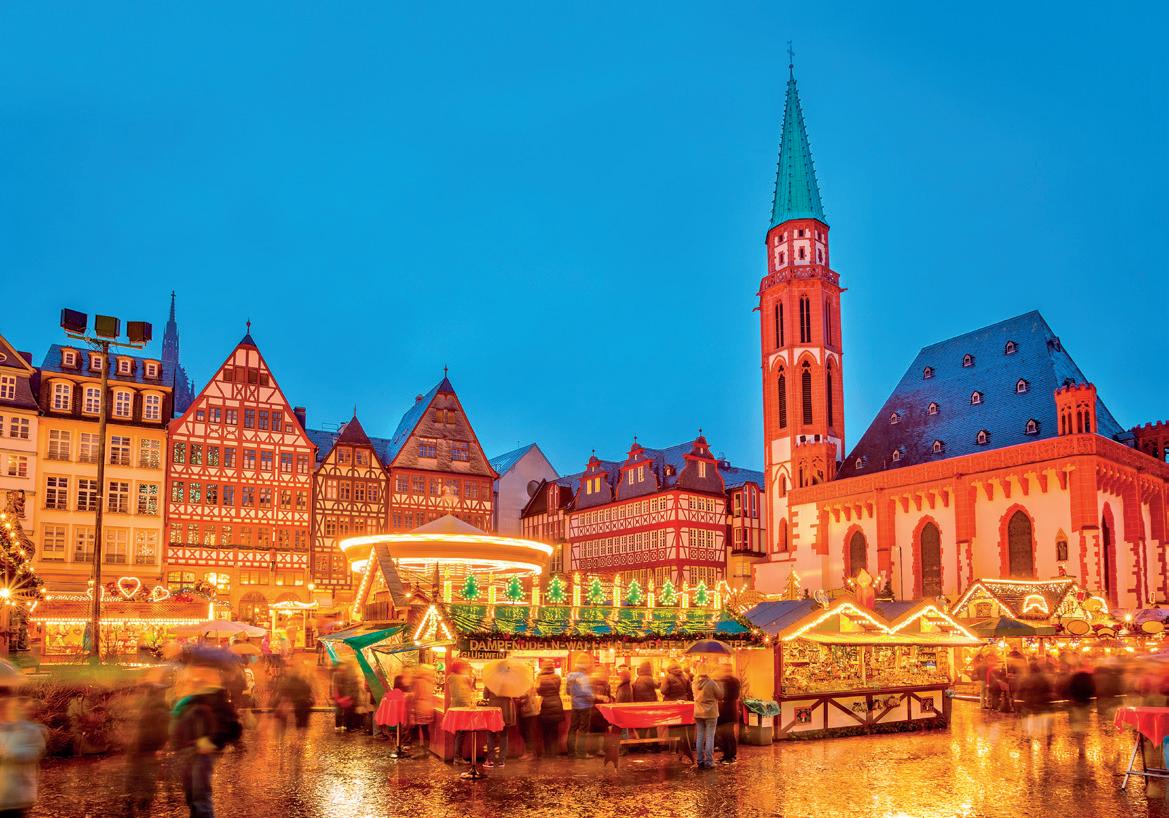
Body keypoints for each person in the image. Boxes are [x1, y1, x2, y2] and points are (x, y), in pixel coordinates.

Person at [171, 664, 241, 818]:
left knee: (200, 797)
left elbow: (232, 726)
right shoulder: (189, 700)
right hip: (185, 752)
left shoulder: (214, 697)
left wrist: (212, 741)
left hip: (201, 754)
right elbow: (179, 723)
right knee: (191, 797)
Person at [124, 681, 170, 816]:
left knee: (135, 781)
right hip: (147, 751)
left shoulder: (149, 708)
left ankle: (132, 808)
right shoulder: (160, 710)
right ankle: (141, 808)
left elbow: (142, 730)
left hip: (141, 750)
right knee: (146, 783)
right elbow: (164, 732)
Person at [0, 692, 46, 818]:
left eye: (4, 705)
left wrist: (9, 754)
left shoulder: (29, 730)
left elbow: (36, 751)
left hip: (15, 797)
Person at [692, 667, 722, 771]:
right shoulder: (711, 683)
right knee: (710, 737)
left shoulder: (694, 683)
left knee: (700, 736)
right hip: (710, 713)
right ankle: (709, 761)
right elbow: (720, 695)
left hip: (698, 712)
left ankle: (700, 761)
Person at [446, 661, 475, 762]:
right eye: (464, 667)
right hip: (463, 708)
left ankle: (457, 756)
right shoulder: (464, 678)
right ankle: (457, 757)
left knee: (459, 733)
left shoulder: (451, 677)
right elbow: (469, 691)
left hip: (455, 707)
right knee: (461, 733)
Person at [566, 658, 594, 758]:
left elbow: (567, 692)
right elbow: (587, 693)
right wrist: (593, 697)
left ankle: (571, 752)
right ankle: (582, 752)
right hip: (585, 706)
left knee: (573, 728)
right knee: (583, 730)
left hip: (575, 705)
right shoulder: (583, 677)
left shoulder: (570, 676)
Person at [536, 661, 564, 758]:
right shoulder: (557, 677)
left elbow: (538, 691)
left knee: (546, 731)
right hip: (556, 704)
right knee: (554, 731)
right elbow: (558, 689)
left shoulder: (540, 678)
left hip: (545, 705)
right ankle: (554, 752)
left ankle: (547, 752)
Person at [485, 683, 516, 767]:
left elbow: (485, 696)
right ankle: (501, 761)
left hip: (493, 710)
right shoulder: (509, 682)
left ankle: (490, 760)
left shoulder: (490, 680)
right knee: (504, 735)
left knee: (491, 734)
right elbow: (514, 695)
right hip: (506, 710)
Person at [715, 664, 740, 764]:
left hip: (727, 710)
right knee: (725, 735)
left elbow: (723, 695)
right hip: (727, 710)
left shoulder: (729, 681)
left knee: (728, 735)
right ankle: (727, 755)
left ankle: (730, 756)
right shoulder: (733, 681)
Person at [632, 661, 660, 739]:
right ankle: (655, 743)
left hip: (640, 706)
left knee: (643, 726)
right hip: (650, 705)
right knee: (653, 726)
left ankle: (642, 743)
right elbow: (658, 685)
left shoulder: (637, 679)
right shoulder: (649, 678)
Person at [412, 665, 437, 751]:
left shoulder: (418, 681)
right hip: (428, 707)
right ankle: (426, 749)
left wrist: (412, 708)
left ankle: (419, 749)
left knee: (416, 730)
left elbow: (416, 695)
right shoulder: (430, 681)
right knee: (425, 729)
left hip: (420, 707)